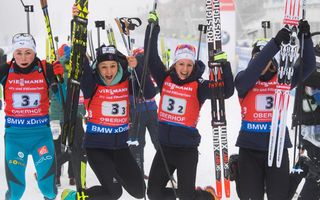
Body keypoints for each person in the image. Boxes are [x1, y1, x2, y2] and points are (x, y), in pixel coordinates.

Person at [145, 12, 234, 200]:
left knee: (187, 197)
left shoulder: (199, 86)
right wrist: (152, 28)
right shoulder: (164, 78)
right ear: (175, 64)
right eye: (181, 64)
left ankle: (206, 196)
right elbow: (150, 56)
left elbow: (225, 92)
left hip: (186, 150)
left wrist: (224, 66)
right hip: (165, 149)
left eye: (189, 65)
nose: (185, 69)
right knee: (153, 193)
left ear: (194, 66)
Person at [234, 20, 316, 200]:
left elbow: (308, 66)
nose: (262, 63)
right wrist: (274, 45)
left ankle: (298, 170)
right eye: (257, 58)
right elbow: (251, 72)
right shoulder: (244, 80)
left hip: (277, 147)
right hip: (250, 149)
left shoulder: (283, 80)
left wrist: (306, 39)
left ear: (273, 62)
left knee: (278, 197)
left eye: (266, 60)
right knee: (250, 196)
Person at [61, 43, 145, 200]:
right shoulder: (91, 83)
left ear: (118, 65)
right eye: (104, 67)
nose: (108, 71)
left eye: (112, 66)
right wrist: (79, 24)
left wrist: (137, 67)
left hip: (120, 148)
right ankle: (74, 197)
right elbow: (82, 62)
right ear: (97, 68)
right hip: (97, 148)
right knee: (114, 192)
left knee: (139, 191)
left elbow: (149, 92)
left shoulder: (127, 81)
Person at [0, 33, 64, 200]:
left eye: (28, 52)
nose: (23, 58)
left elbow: (65, 95)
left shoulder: (45, 69)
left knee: (49, 190)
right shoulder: (5, 70)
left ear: (35, 52)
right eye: (18, 52)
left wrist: (61, 78)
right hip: (15, 138)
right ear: (13, 53)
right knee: (16, 193)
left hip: (41, 136)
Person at [50, 44, 86, 187]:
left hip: (59, 116)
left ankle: (56, 176)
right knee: (75, 146)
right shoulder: (74, 72)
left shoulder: (59, 70)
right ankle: (72, 176)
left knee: (59, 146)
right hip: (69, 115)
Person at [288, 43, 320, 200]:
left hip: (305, 129)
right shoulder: (312, 62)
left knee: (312, 167)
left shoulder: (307, 59)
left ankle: (301, 166)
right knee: (316, 174)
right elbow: (312, 94)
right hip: (312, 131)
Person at [128, 47, 159, 179]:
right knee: (139, 143)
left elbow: (152, 90)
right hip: (139, 113)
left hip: (149, 111)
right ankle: (137, 172)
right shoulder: (131, 74)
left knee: (154, 141)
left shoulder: (149, 72)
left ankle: (163, 170)